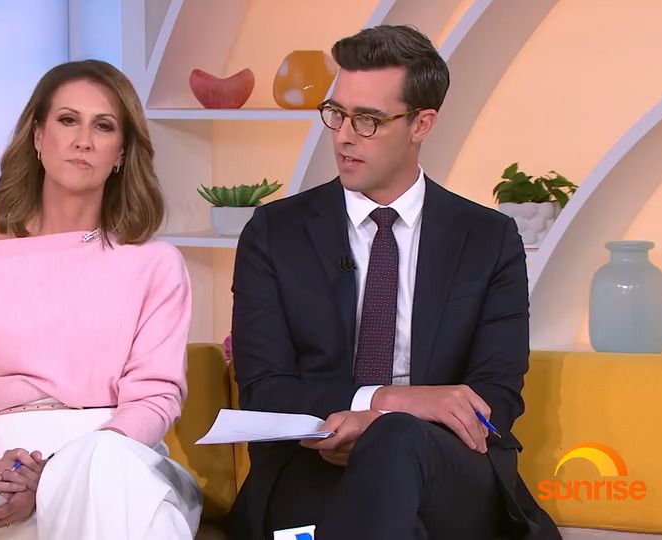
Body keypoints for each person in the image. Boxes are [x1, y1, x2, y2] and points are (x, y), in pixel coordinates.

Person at [226, 26, 560, 540]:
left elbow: (497, 394)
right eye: (336, 113)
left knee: (398, 441)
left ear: (421, 123)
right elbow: (263, 388)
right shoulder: (274, 233)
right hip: (312, 463)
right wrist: (386, 401)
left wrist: (383, 425)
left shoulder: (488, 238)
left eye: (368, 120)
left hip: (447, 469)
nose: (343, 135)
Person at [0, 59, 202, 540]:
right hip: (4, 479)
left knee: (112, 475)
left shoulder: (156, 264)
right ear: (37, 136)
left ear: (121, 152)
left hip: (122, 458)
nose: (83, 140)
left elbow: (154, 397)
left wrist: (60, 475)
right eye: (68, 120)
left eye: (103, 126)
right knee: (151, 523)